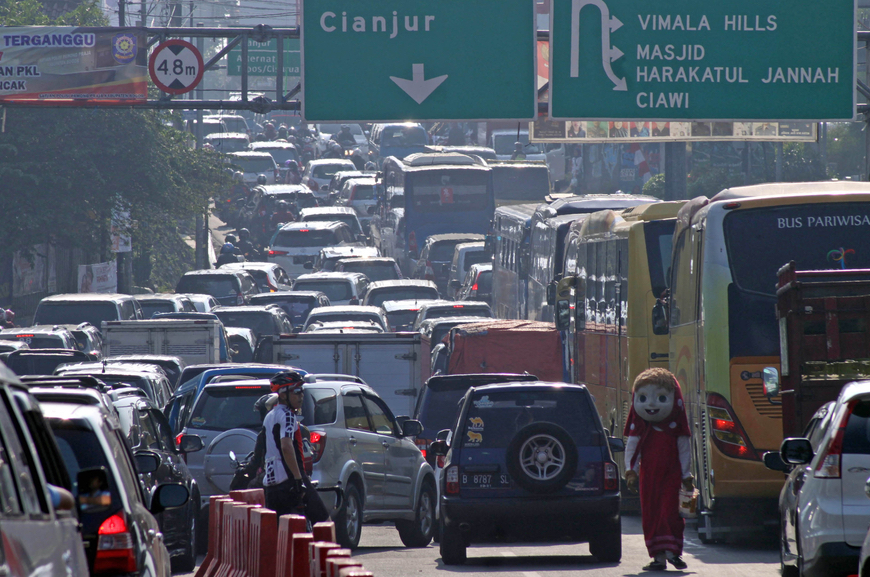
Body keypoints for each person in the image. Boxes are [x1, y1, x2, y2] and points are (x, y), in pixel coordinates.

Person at [624, 368, 693, 571]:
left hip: (671, 476)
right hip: (649, 477)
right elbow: (632, 448)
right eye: (643, 398)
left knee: (670, 511)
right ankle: (658, 557)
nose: (651, 404)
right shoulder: (641, 427)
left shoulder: (675, 428)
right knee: (651, 513)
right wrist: (631, 471)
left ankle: (673, 552)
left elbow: (684, 450)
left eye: (662, 398)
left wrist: (686, 475)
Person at [262, 371, 307, 517]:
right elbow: (286, 447)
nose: (301, 396)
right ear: (282, 394)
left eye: (302, 391)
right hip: (288, 482)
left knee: (277, 531)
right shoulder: (287, 414)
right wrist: (298, 479)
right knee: (323, 519)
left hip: (270, 486)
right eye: (297, 391)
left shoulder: (269, 416)